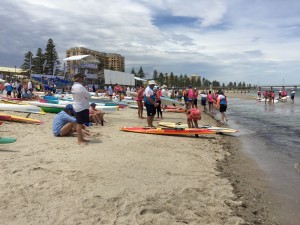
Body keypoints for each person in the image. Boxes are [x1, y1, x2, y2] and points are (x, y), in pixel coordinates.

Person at [71, 73, 91, 144]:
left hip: (78, 106)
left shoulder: (73, 86)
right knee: (79, 124)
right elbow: (88, 96)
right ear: (79, 78)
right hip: (81, 106)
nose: (83, 79)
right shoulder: (80, 87)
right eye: (82, 78)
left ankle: (81, 139)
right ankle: (79, 140)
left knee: (80, 123)